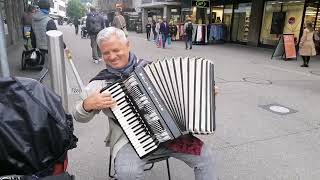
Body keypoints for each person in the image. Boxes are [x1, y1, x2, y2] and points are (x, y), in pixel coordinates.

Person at [73, 27, 217, 180]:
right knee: (128, 173)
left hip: (171, 136)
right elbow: (78, 116)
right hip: (128, 140)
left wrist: (206, 93)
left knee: (206, 157)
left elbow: (187, 98)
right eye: (106, 53)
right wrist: (86, 105)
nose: (112, 56)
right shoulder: (100, 83)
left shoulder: (152, 69)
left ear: (128, 45)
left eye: (116, 50)